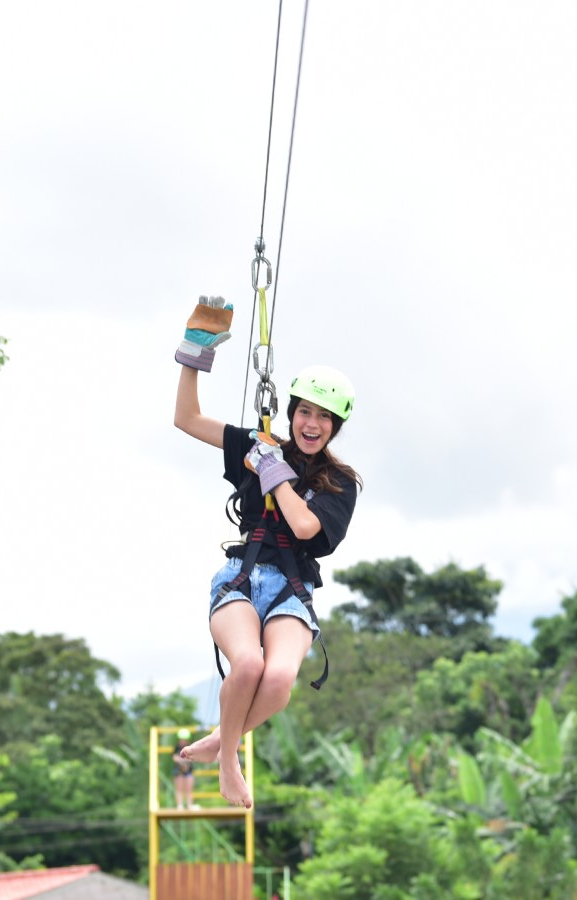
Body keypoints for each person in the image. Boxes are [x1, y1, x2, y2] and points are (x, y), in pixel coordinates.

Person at [172, 295, 362, 808]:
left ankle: (221, 739)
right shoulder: (261, 445)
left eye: (324, 418)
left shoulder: (340, 483)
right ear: (291, 411)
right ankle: (229, 758)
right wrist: (195, 353)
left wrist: (273, 470)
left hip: (291, 590)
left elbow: (304, 526)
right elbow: (186, 419)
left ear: (335, 427)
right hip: (241, 578)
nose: (311, 424)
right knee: (249, 666)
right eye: (304, 412)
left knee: (278, 679)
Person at [172, 728, 196, 810]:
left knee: (189, 789)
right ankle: (180, 805)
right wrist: (182, 761)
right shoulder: (177, 747)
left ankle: (189, 805)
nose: (183, 741)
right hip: (178, 771)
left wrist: (184, 761)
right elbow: (175, 758)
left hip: (188, 771)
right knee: (179, 789)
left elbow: (192, 757)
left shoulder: (190, 747)